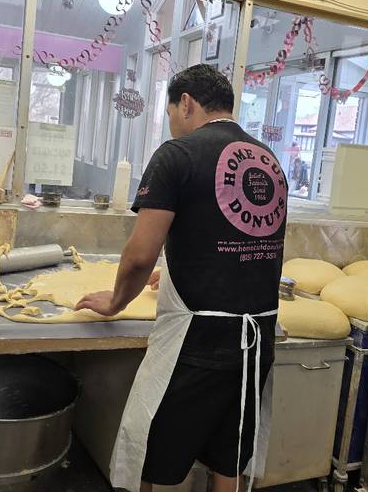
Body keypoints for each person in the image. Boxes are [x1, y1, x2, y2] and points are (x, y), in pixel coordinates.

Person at [75, 64, 288, 492]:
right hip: (255, 341)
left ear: (186, 103)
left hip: (194, 346)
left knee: (154, 459)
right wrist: (170, 272)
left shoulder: (177, 155)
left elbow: (138, 255)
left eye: (171, 112)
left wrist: (116, 301)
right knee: (227, 458)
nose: (171, 124)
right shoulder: (268, 160)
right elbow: (234, 242)